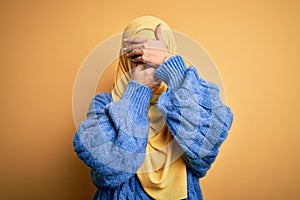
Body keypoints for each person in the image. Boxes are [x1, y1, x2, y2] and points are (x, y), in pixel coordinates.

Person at [73, 16, 233, 200]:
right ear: (125, 59)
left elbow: (205, 152)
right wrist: (138, 92)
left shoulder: (186, 99)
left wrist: (171, 67)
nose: (147, 65)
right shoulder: (104, 104)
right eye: (137, 56)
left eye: (153, 56)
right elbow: (110, 171)